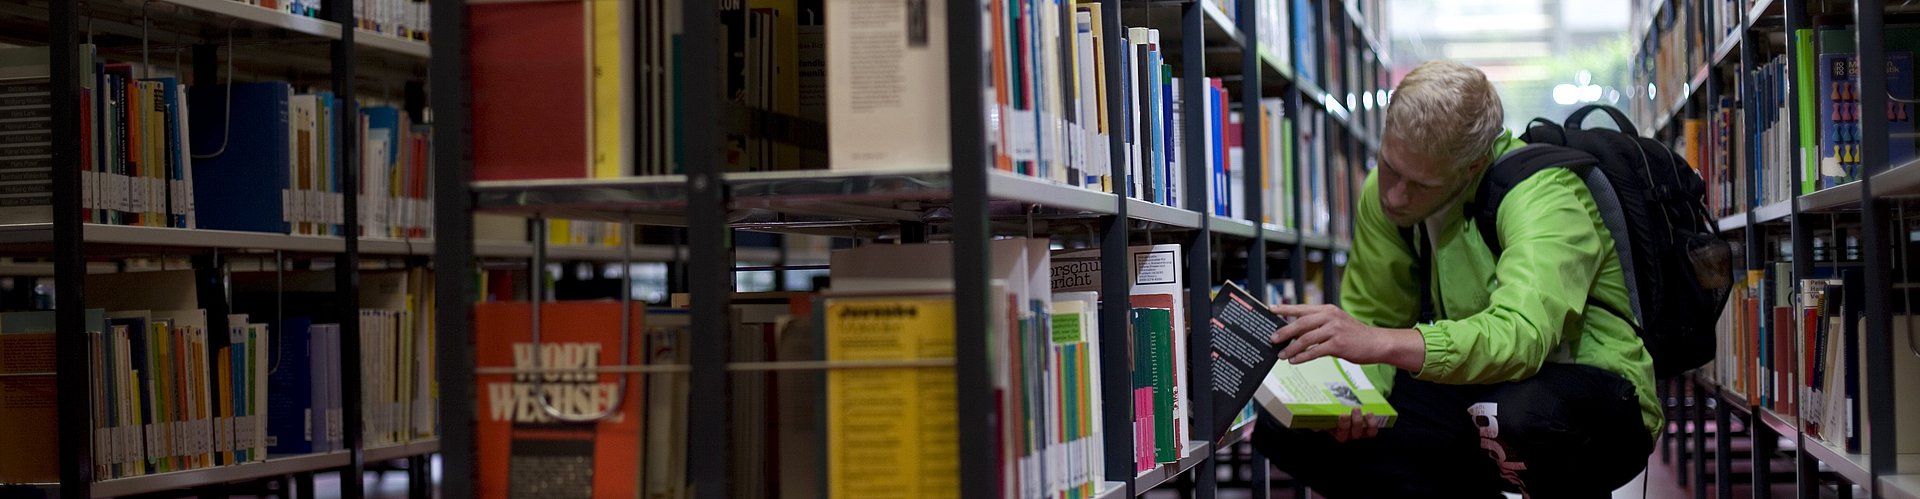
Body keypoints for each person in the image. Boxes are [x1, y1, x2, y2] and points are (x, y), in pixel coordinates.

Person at [1252, 60, 1658, 498]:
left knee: (1515, 416)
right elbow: (1373, 311)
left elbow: (1522, 336)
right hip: (1478, 385)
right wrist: (1355, 399)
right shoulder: (1385, 199)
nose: (1394, 195)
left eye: (1420, 185)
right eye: (1390, 168)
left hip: (1594, 397)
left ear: (1473, 166)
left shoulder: (1544, 195)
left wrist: (1381, 341)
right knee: (1292, 427)